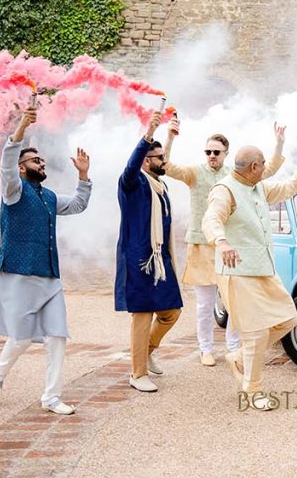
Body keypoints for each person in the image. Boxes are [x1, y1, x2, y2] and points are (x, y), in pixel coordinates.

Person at [0, 107, 92, 415]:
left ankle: (51, 398)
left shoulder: (50, 196)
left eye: (42, 160)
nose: (41, 163)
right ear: (20, 168)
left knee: (57, 336)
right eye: (35, 160)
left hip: (50, 277)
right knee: (22, 337)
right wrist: (20, 129)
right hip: (18, 273)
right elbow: (5, 164)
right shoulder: (13, 192)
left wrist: (83, 175)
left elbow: (79, 204)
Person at [203, 134, 297, 410]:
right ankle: (252, 389)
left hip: (264, 270)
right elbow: (212, 218)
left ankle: (242, 357)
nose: (266, 168)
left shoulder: (257, 187)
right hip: (238, 272)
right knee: (256, 332)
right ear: (254, 167)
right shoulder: (225, 190)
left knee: (288, 319)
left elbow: (289, 187)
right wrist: (221, 242)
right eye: (263, 164)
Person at [164, 119, 285, 367]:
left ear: (226, 153)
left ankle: (232, 346)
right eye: (207, 151)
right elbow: (166, 166)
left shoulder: (235, 174)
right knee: (205, 304)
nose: (211, 156)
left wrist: (279, 144)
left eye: (216, 152)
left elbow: (267, 169)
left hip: (231, 248)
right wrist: (170, 138)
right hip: (201, 245)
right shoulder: (194, 173)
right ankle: (205, 348)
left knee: (234, 302)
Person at [115, 112, 183, 392]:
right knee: (142, 316)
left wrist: (168, 137)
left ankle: (148, 350)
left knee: (172, 312)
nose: (163, 161)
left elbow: (162, 157)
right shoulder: (132, 183)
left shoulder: (159, 184)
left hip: (161, 260)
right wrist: (149, 132)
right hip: (138, 260)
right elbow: (131, 166)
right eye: (158, 158)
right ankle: (137, 373)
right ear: (146, 160)